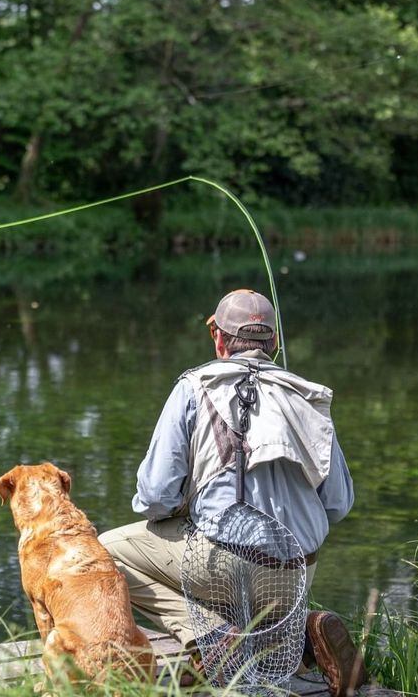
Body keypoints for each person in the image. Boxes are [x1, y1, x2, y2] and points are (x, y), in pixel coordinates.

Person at [99, 288, 366, 696]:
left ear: (219, 341)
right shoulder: (309, 396)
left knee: (104, 552)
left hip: (224, 570)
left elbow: (155, 496)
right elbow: (338, 505)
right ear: (274, 344)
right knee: (228, 566)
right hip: (297, 572)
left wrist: (186, 509)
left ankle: (212, 638)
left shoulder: (192, 387)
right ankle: (304, 631)